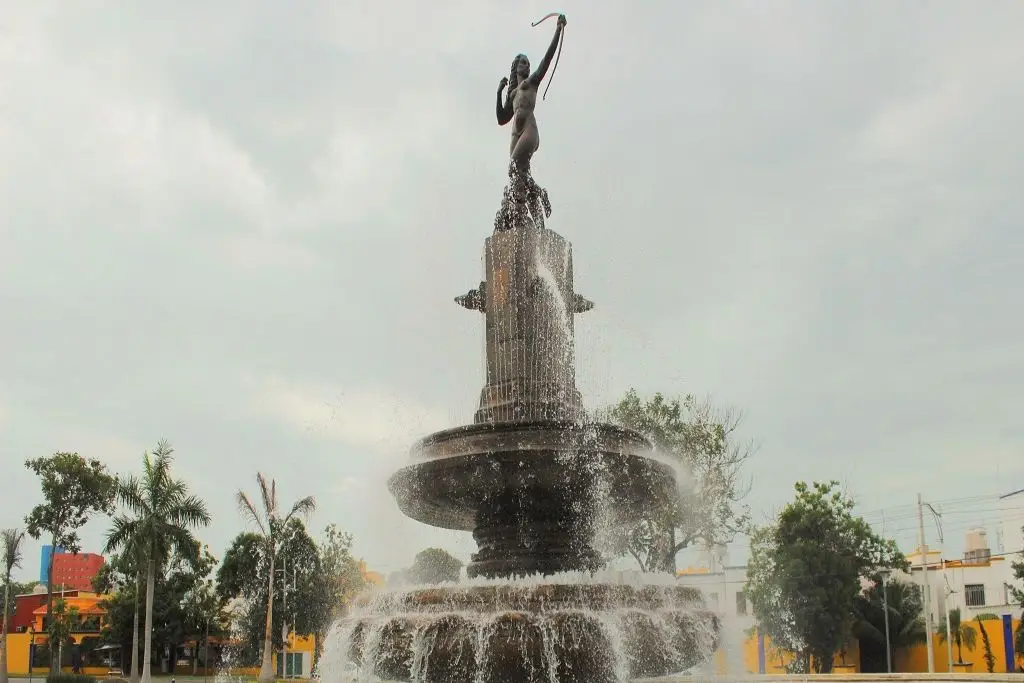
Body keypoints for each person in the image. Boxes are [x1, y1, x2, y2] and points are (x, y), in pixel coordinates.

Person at [495, 14, 567, 176]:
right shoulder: (513, 93)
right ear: (516, 67)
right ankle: (536, 196)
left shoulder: (532, 82)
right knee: (518, 176)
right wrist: (499, 92)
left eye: (528, 64)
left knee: (513, 167)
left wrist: (557, 30)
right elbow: (501, 119)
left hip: (529, 130)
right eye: (523, 63)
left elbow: (546, 60)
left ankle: (530, 197)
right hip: (516, 133)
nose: (527, 66)